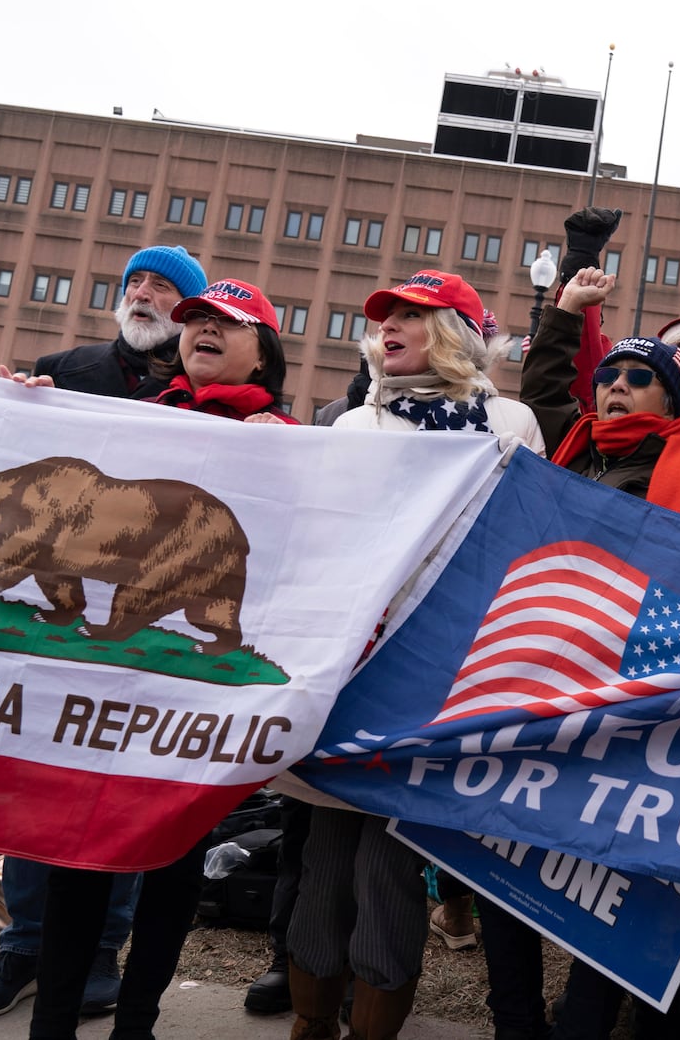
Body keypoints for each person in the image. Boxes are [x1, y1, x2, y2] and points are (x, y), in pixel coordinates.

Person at [22, 277, 295, 1040]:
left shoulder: (298, 444)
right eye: (195, 320)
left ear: (263, 351)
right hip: (110, 689)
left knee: (174, 861)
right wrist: (28, 412)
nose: (203, 329)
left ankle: (136, 1020)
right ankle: (52, 1020)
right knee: (81, 850)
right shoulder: (126, 422)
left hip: (200, 698)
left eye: (226, 322)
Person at [0, 242, 205, 1025]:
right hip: (55, 611)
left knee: (126, 784)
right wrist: (16, 404)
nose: (145, 295)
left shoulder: (206, 392)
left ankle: (98, 951)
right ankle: (24, 947)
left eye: (165, 288)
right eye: (136, 283)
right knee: (38, 780)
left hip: (139, 617)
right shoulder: (61, 367)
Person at [282, 270, 538, 1040]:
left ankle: (374, 1022)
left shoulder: (512, 423)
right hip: (349, 672)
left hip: (442, 675)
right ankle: (309, 1019)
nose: (387, 325)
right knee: (324, 854)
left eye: (410, 316)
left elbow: (527, 541)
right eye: (384, 316)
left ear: (455, 332)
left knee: (392, 862)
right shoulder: (353, 426)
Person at [522, 267, 680, 1040]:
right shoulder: (571, 452)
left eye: (640, 378)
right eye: (610, 375)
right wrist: (568, 311)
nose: (617, 387)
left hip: (646, 699)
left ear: (673, 400)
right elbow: (550, 385)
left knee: (633, 881)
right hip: (558, 685)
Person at [33, 245, 208, 397]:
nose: (140, 294)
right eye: (135, 281)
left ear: (187, 311)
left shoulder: (205, 387)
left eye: (160, 285)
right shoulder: (60, 368)